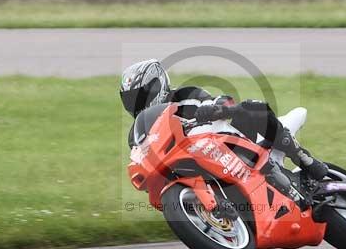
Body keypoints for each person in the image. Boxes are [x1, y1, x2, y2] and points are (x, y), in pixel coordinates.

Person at [119, 59, 328, 182]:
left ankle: (303, 158)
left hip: (228, 139)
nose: (137, 103)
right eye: (131, 99)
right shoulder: (137, 132)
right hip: (191, 161)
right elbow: (140, 157)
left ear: (158, 85)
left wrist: (213, 108)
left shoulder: (185, 94)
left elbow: (224, 101)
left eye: (141, 95)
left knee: (252, 107)